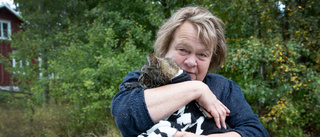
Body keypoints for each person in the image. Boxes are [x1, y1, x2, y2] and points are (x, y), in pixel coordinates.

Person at [111, 6, 269, 137]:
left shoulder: (224, 88)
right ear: (165, 48)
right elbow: (125, 117)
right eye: (183, 50)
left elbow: (256, 131)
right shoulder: (144, 79)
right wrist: (197, 89)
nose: (191, 62)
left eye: (202, 55)